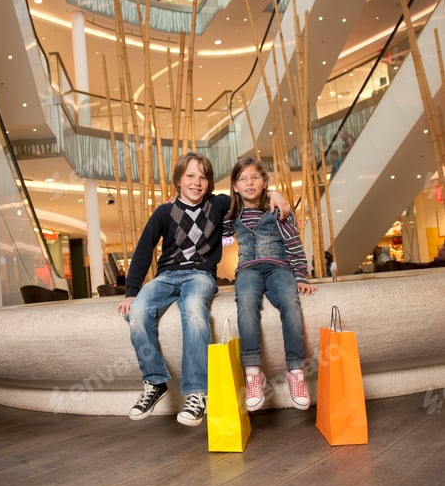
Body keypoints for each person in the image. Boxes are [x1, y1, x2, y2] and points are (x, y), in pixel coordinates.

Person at [116, 152, 290, 427]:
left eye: (203, 177)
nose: (196, 182)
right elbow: (143, 250)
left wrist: (275, 194)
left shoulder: (218, 205)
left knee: (195, 312)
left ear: (209, 183)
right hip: (166, 276)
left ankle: (197, 392)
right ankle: (155, 381)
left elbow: (247, 193)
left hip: (199, 275)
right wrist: (131, 292)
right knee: (137, 313)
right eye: (190, 176)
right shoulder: (164, 212)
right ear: (178, 180)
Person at [224, 156, 317, 413]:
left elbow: (294, 244)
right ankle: (253, 373)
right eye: (242, 179)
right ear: (234, 186)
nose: (249, 182)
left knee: (290, 302)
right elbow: (214, 226)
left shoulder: (278, 210)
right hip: (247, 270)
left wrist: (301, 276)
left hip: (279, 267)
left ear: (264, 182)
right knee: (245, 303)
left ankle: (295, 372)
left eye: (255, 177)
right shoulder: (231, 214)